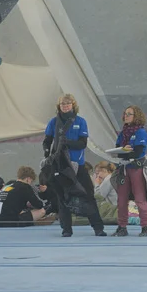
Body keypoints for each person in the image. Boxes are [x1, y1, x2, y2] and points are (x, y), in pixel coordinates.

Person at [42, 94, 106, 237]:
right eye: (63, 104)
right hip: (61, 167)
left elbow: (82, 144)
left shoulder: (80, 121)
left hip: (78, 165)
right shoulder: (53, 122)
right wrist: (47, 153)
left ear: (73, 105)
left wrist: (66, 143)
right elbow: (47, 141)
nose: (65, 106)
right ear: (59, 106)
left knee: (88, 195)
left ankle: (98, 228)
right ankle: (66, 230)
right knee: (62, 197)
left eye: (68, 104)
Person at [111, 105, 147, 237]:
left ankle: (145, 227)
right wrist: (125, 151)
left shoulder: (140, 132)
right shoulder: (123, 133)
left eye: (129, 114)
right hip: (124, 168)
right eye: (125, 113)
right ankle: (122, 226)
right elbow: (118, 149)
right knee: (121, 199)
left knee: (140, 198)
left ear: (136, 116)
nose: (126, 116)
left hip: (136, 168)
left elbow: (138, 152)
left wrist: (126, 152)